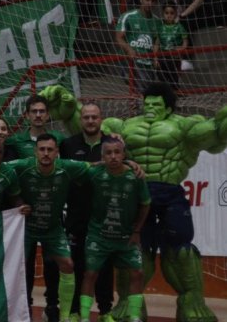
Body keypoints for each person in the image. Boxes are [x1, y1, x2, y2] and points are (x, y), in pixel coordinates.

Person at [42, 83, 224, 321]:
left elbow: (217, 134)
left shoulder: (186, 125)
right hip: (137, 193)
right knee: (134, 251)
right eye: (147, 104)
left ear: (168, 108)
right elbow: (89, 127)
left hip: (170, 193)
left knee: (180, 250)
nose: (150, 108)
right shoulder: (124, 127)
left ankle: (192, 302)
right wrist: (67, 108)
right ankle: (129, 306)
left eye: (156, 105)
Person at [9, 134, 91, 322]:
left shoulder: (67, 168)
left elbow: (94, 167)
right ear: (35, 151)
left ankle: (64, 315)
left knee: (68, 265)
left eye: (50, 150)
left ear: (57, 153)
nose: (46, 153)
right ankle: (16, 312)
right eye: (42, 149)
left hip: (53, 229)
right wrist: (18, 201)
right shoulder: (22, 165)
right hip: (27, 228)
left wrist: (126, 164)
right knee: (15, 267)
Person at [77, 138, 150, 322]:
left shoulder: (135, 177)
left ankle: (134, 317)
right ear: (102, 157)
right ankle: (84, 317)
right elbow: (75, 169)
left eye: (117, 152)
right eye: (108, 153)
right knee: (90, 273)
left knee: (138, 272)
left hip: (126, 237)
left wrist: (136, 231)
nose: (113, 156)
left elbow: (145, 204)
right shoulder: (94, 173)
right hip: (98, 236)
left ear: (124, 155)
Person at [58, 103, 115, 321]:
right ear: (80, 120)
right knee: (76, 264)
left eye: (94, 117)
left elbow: (123, 164)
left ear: (101, 119)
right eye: (86, 117)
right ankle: (74, 311)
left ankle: (105, 311)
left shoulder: (111, 144)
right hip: (76, 215)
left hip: (104, 216)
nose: (90, 121)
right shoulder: (68, 145)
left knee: (104, 265)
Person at [115, 0, 162, 94]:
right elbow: (119, 37)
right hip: (130, 61)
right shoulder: (128, 16)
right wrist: (129, 49)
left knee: (145, 92)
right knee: (137, 90)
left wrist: (155, 58)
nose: (149, 3)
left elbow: (156, 42)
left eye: (153, 1)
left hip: (147, 63)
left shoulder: (157, 21)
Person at [6, 95, 67, 159]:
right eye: (34, 111)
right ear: (27, 115)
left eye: (42, 111)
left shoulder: (58, 137)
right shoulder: (16, 140)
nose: (38, 115)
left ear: (48, 115)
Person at [157, 2, 189, 90]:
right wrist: (155, 58)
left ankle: (175, 92)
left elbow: (185, 43)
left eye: (171, 13)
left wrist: (180, 49)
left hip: (174, 58)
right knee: (162, 76)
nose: (169, 15)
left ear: (175, 14)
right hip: (162, 57)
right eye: (166, 13)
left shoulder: (179, 27)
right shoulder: (160, 27)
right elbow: (156, 44)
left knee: (173, 77)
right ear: (163, 14)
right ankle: (164, 93)